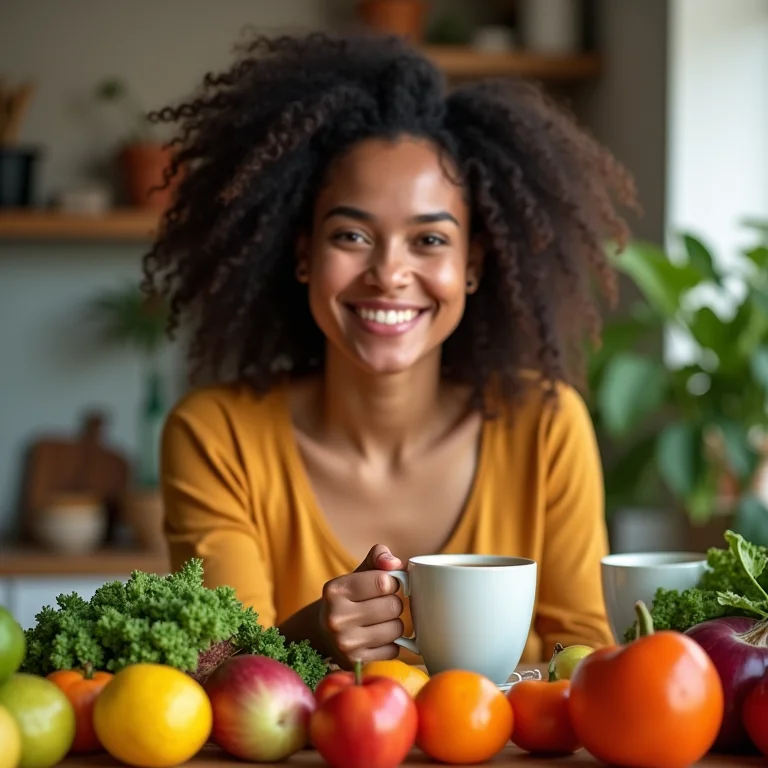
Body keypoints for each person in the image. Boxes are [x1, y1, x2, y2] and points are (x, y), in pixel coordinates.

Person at [143, 31, 638, 669]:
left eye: (429, 240)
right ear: (303, 255)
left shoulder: (545, 425)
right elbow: (217, 668)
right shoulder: (217, 436)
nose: (388, 272)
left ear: (473, 265)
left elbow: (584, 656)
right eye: (352, 234)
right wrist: (312, 634)